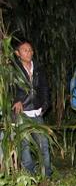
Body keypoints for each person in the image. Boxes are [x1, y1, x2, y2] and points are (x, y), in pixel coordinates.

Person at [12, 40, 52, 177]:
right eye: (25, 50)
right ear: (18, 53)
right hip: (21, 114)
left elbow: (45, 88)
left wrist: (45, 104)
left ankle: (47, 175)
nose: (28, 52)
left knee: (44, 144)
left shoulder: (39, 69)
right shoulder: (13, 70)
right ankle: (30, 176)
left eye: (30, 50)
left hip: (37, 113)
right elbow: (9, 89)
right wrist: (16, 100)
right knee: (24, 147)